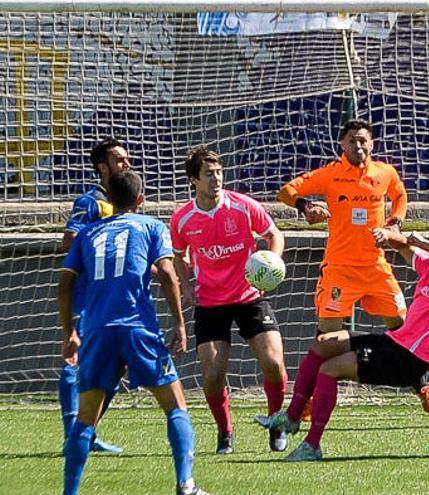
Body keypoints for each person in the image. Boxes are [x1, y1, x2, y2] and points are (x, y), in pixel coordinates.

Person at [256, 228, 429, 461]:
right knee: (323, 343)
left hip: (410, 360)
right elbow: (403, 246)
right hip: (393, 342)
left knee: (329, 370)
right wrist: (387, 234)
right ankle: (291, 418)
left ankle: (312, 445)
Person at [276, 118, 429, 415]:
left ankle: (422, 386)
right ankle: (309, 399)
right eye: (352, 140)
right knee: (326, 337)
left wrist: (394, 224)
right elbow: (286, 191)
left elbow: (400, 196)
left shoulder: (385, 172)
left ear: (372, 144)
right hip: (339, 269)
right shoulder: (330, 174)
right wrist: (305, 207)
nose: (358, 145)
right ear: (342, 144)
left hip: (376, 267)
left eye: (363, 140)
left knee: (404, 331)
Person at [59, 171, 208, 495]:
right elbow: (168, 273)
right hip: (138, 328)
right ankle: (186, 484)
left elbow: (64, 282)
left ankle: (68, 492)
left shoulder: (87, 233)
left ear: (109, 201)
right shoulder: (151, 226)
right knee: (176, 406)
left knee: (86, 419)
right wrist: (180, 324)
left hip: (96, 331)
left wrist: (70, 330)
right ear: (141, 200)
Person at [170, 146, 288, 454]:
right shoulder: (183, 219)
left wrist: (271, 266)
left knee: (274, 363)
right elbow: (178, 254)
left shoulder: (243, 206)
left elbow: (274, 234)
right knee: (212, 376)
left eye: (219, 172)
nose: (216, 179)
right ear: (193, 180)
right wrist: (186, 285)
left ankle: (277, 422)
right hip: (210, 302)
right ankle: (225, 431)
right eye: (208, 174)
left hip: (249, 296)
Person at [58, 138, 132, 455]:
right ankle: (73, 434)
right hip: (89, 295)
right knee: (76, 359)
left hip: (116, 298)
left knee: (116, 365)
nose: (126, 164)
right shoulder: (91, 202)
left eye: (126, 159)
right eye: (119, 160)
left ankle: (87, 431)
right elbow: (69, 240)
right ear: (102, 166)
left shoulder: (124, 202)